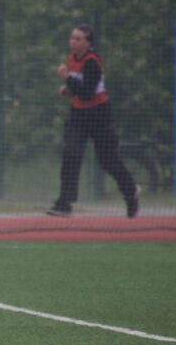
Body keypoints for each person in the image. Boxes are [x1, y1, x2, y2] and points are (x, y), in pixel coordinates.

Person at [47, 24, 140, 218]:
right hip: (78, 114)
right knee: (71, 154)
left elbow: (88, 92)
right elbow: (79, 89)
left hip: (98, 114)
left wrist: (67, 78)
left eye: (78, 39)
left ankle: (131, 191)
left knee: (108, 160)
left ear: (88, 43)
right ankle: (65, 203)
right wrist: (68, 90)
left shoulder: (92, 61)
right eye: (72, 38)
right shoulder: (72, 59)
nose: (73, 42)